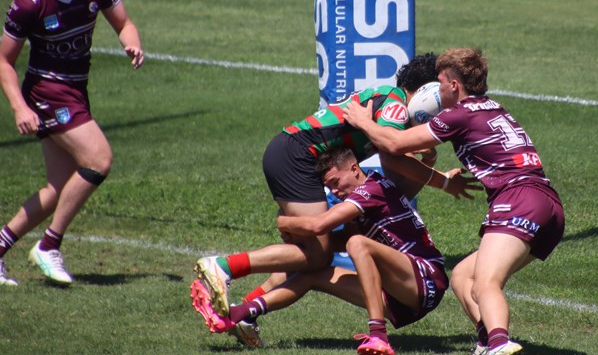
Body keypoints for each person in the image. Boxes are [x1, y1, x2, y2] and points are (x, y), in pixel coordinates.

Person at [192, 53, 477, 346]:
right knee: (318, 254)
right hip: (297, 155)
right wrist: (442, 180)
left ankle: (244, 312)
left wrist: (428, 159)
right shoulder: (395, 105)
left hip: (293, 154)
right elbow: (392, 151)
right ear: (426, 88)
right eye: (440, 92)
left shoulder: (386, 110)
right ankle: (224, 267)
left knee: (311, 258)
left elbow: (396, 172)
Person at [344, 47, 565, 355]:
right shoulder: (492, 106)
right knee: (463, 275)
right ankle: (486, 340)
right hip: (548, 205)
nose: (434, 89)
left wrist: (362, 121)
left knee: (485, 282)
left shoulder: (458, 114)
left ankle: (500, 344)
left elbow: (393, 143)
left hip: (518, 198)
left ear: (453, 86)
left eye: (439, 81)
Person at [191, 146, 450, 355]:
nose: (335, 192)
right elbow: (335, 240)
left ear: (354, 168)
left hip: (427, 278)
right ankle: (238, 315)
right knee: (312, 273)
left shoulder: (369, 189)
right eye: (331, 187)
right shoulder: (361, 200)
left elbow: (319, 224)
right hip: (399, 296)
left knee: (357, 244)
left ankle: (378, 336)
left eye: (337, 183)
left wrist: (284, 221)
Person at [0, 0, 144, 286]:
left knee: (57, 188)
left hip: (76, 90)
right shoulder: (29, 3)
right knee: (99, 159)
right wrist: (20, 108)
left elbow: (124, 22)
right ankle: (49, 246)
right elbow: (3, 62)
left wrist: (133, 43)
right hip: (47, 93)